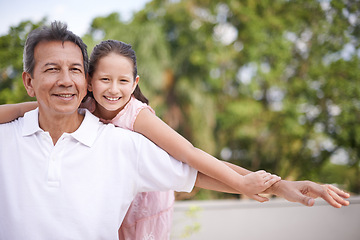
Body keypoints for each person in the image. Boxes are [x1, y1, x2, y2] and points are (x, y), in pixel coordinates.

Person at [0, 21, 350, 240]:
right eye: (51, 72)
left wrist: (276, 185)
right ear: (29, 81)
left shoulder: (131, 129)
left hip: (149, 211)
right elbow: (44, 103)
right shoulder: (35, 123)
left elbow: (194, 163)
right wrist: (40, 105)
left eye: (74, 70)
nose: (65, 81)